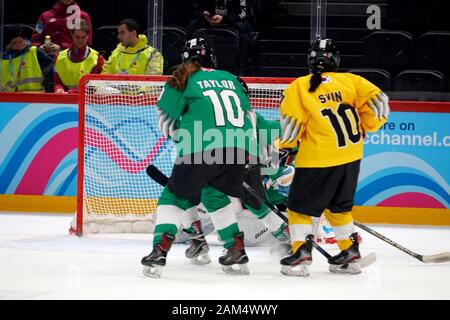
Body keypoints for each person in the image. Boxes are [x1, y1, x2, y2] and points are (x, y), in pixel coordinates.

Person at [141, 37, 257, 278]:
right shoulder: (230, 78)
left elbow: (165, 120)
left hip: (200, 147)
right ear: (211, 57)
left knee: (173, 197)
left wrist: (183, 140)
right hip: (237, 149)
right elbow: (250, 116)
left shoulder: (180, 79)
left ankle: (159, 250)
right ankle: (235, 249)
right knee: (214, 196)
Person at [278, 38, 390, 277]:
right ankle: (349, 253)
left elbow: (292, 122)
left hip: (318, 157)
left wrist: (287, 146)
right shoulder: (353, 81)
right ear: (335, 60)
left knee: (298, 207)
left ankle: (301, 252)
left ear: (310, 60)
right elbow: (380, 103)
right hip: (350, 156)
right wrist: (366, 127)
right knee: (339, 207)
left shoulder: (300, 85)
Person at [53, 19, 105, 93]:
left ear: (87, 36)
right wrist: (58, 89)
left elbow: (91, 87)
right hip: (65, 99)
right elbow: (57, 81)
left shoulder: (97, 59)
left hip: (88, 101)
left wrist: (70, 92)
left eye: (83, 37)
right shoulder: (58, 57)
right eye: (77, 37)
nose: (80, 41)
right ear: (71, 34)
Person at [1, 25, 53, 92]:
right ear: (8, 45)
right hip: (11, 98)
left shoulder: (34, 52)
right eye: (14, 43)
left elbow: (50, 66)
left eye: (20, 41)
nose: (18, 45)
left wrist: (47, 82)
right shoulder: (3, 58)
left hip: (36, 95)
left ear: (24, 40)